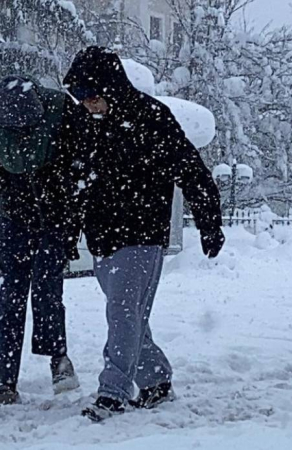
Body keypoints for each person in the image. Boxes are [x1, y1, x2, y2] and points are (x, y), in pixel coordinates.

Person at [63, 46, 226, 422]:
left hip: (141, 234)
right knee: (132, 316)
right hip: (102, 237)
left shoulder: (151, 118)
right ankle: (155, 380)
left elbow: (191, 170)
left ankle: (113, 391)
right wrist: (70, 232)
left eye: (91, 95)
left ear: (111, 86)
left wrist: (209, 222)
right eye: (80, 97)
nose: (87, 104)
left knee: (122, 314)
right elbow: (76, 183)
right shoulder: (87, 124)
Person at [0, 75, 85, 405]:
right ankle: (6, 380)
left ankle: (58, 360)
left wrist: (63, 199)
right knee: (12, 295)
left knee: (47, 285)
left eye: (25, 128)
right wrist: (8, 192)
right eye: (12, 129)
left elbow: (83, 159)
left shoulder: (64, 112)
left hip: (56, 212)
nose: (19, 134)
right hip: (16, 215)